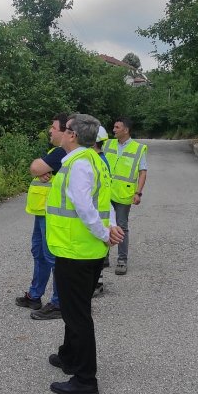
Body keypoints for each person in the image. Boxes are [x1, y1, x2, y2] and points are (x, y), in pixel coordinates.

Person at [45, 114, 124, 394]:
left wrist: (104, 233)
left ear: (73, 136)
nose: (60, 133)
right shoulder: (94, 160)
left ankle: (85, 380)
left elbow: (84, 207)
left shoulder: (78, 164)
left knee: (77, 315)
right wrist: (111, 227)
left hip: (76, 250)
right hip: (87, 250)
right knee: (73, 309)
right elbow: (104, 201)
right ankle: (69, 356)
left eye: (65, 129)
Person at [16, 113, 68, 320]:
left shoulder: (61, 152)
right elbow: (38, 169)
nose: (50, 131)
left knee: (51, 256)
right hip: (42, 212)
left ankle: (58, 303)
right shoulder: (54, 152)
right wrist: (40, 170)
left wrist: (39, 169)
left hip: (52, 213)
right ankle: (34, 295)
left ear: (64, 132)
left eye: (53, 128)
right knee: (39, 253)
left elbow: (35, 167)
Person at [102, 117, 147, 275]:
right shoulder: (108, 144)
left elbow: (142, 172)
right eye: (114, 127)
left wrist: (138, 192)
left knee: (121, 227)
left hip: (123, 194)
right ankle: (104, 256)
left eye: (117, 127)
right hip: (106, 192)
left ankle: (122, 260)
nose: (113, 130)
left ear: (126, 130)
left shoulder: (138, 148)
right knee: (105, 224)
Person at [91, 126, 111, 298]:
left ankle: (96, 283)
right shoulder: (103, 160)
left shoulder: (95, 161)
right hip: (102, 212)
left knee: (95, 251)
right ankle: (96, 282)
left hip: (96, 211)